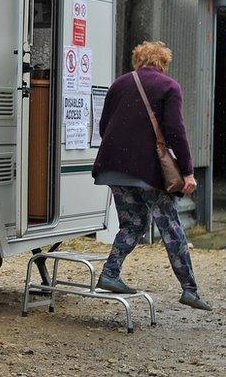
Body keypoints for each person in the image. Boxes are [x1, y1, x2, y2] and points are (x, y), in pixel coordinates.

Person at [91, 40, 212, 310]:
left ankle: (110, 274)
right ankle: (190, 289)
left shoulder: (119, 84)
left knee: (133, 224)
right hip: (146, 171)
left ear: (138, 61)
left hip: (112, 168)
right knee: (170, 225)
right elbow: (175, 132)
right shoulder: (169, 87)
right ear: (163, 63)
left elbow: (103, 127)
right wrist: (188, 171)